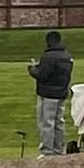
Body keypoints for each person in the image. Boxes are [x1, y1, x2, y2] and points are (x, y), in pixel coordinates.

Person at [31, 30, 73, 158]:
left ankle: (47, 151)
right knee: (59, 121)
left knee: (46, 121)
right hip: (61, 92)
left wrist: (32, 69)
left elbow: (42, 75)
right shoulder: (67, 57)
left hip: (47, 93)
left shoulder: (48, 57)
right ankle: (59, 149)